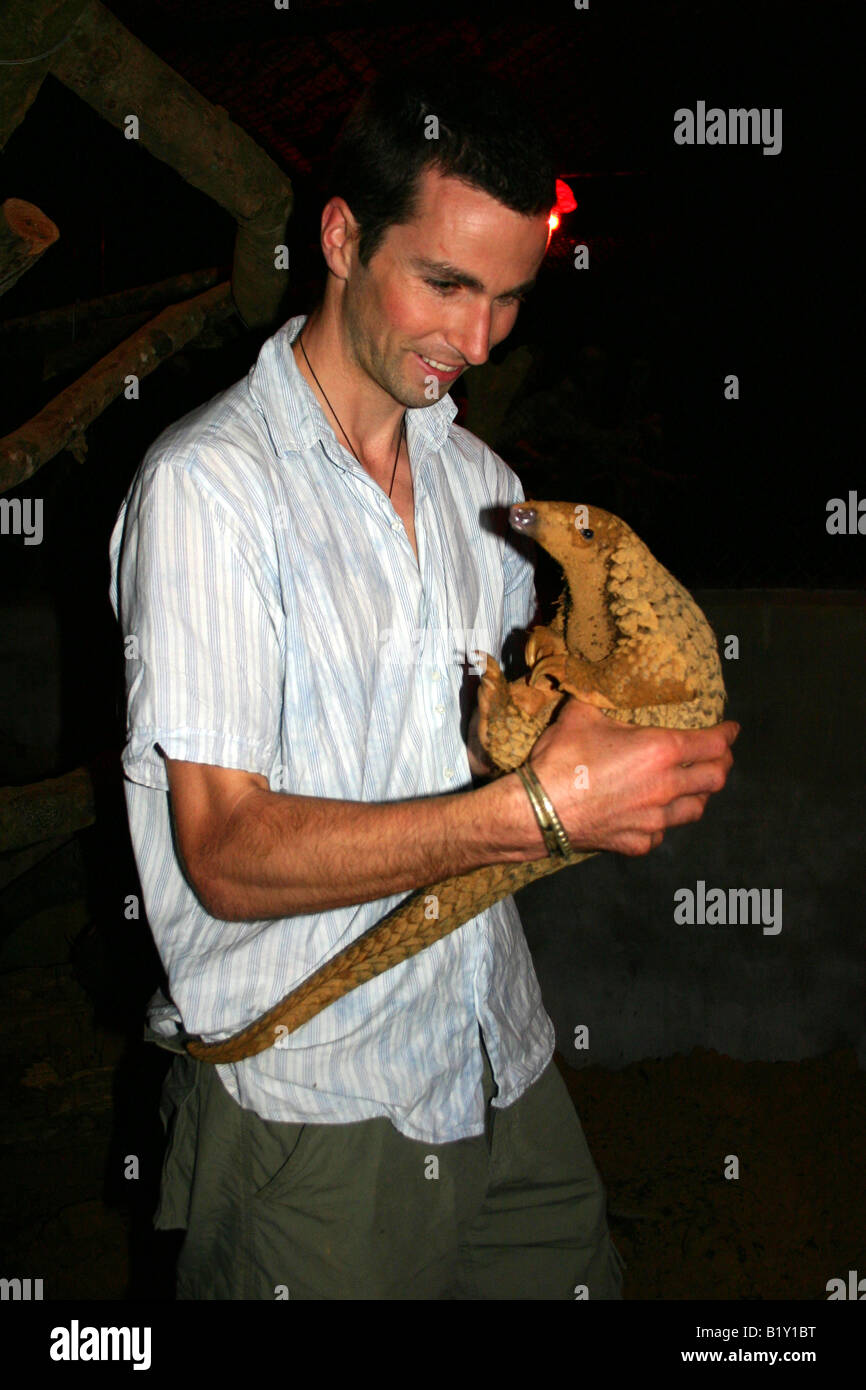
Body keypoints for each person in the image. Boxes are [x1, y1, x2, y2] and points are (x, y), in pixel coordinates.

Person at [108, 64, 738, 1301]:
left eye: (506, 298)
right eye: (444, 283)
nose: (477, 339)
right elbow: (227, 856)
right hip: (316, 1109)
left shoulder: (479, 491)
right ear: (341, 236)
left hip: (495, 1058)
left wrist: (639, 746)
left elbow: (529, 735)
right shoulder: (210, 493)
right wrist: (538, 813)